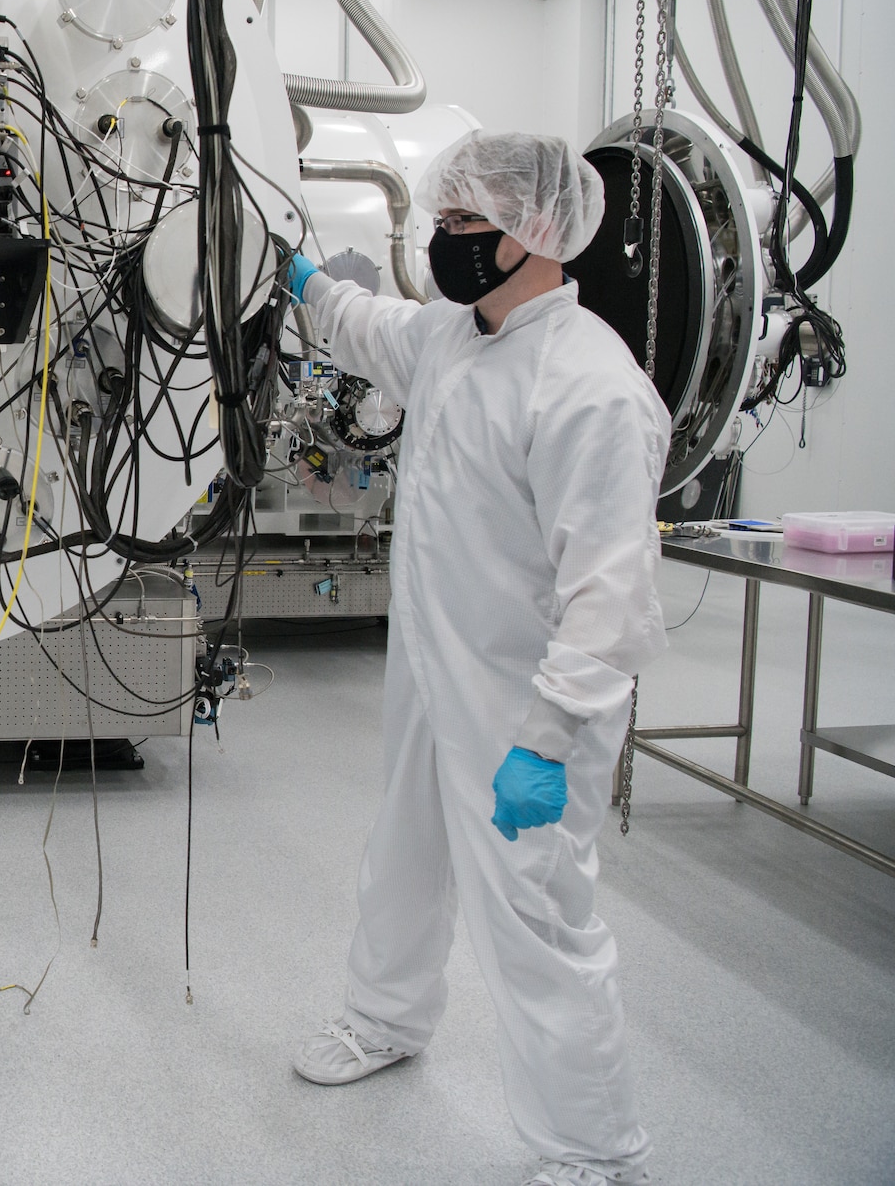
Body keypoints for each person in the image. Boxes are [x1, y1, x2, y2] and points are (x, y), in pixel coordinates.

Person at [281, 130, 670, 1186]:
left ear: (536, 233)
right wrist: (298, 277)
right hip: (431, 673)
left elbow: (610, 600)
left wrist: (545, 739)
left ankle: (587, 1146)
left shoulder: (588, 386)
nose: (445, 241)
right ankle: (384, 1017)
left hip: (530, 709)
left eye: (465, 224)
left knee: (534, 917)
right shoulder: (456, 337)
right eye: (443, 219)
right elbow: (369, 327)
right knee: (399, 858)